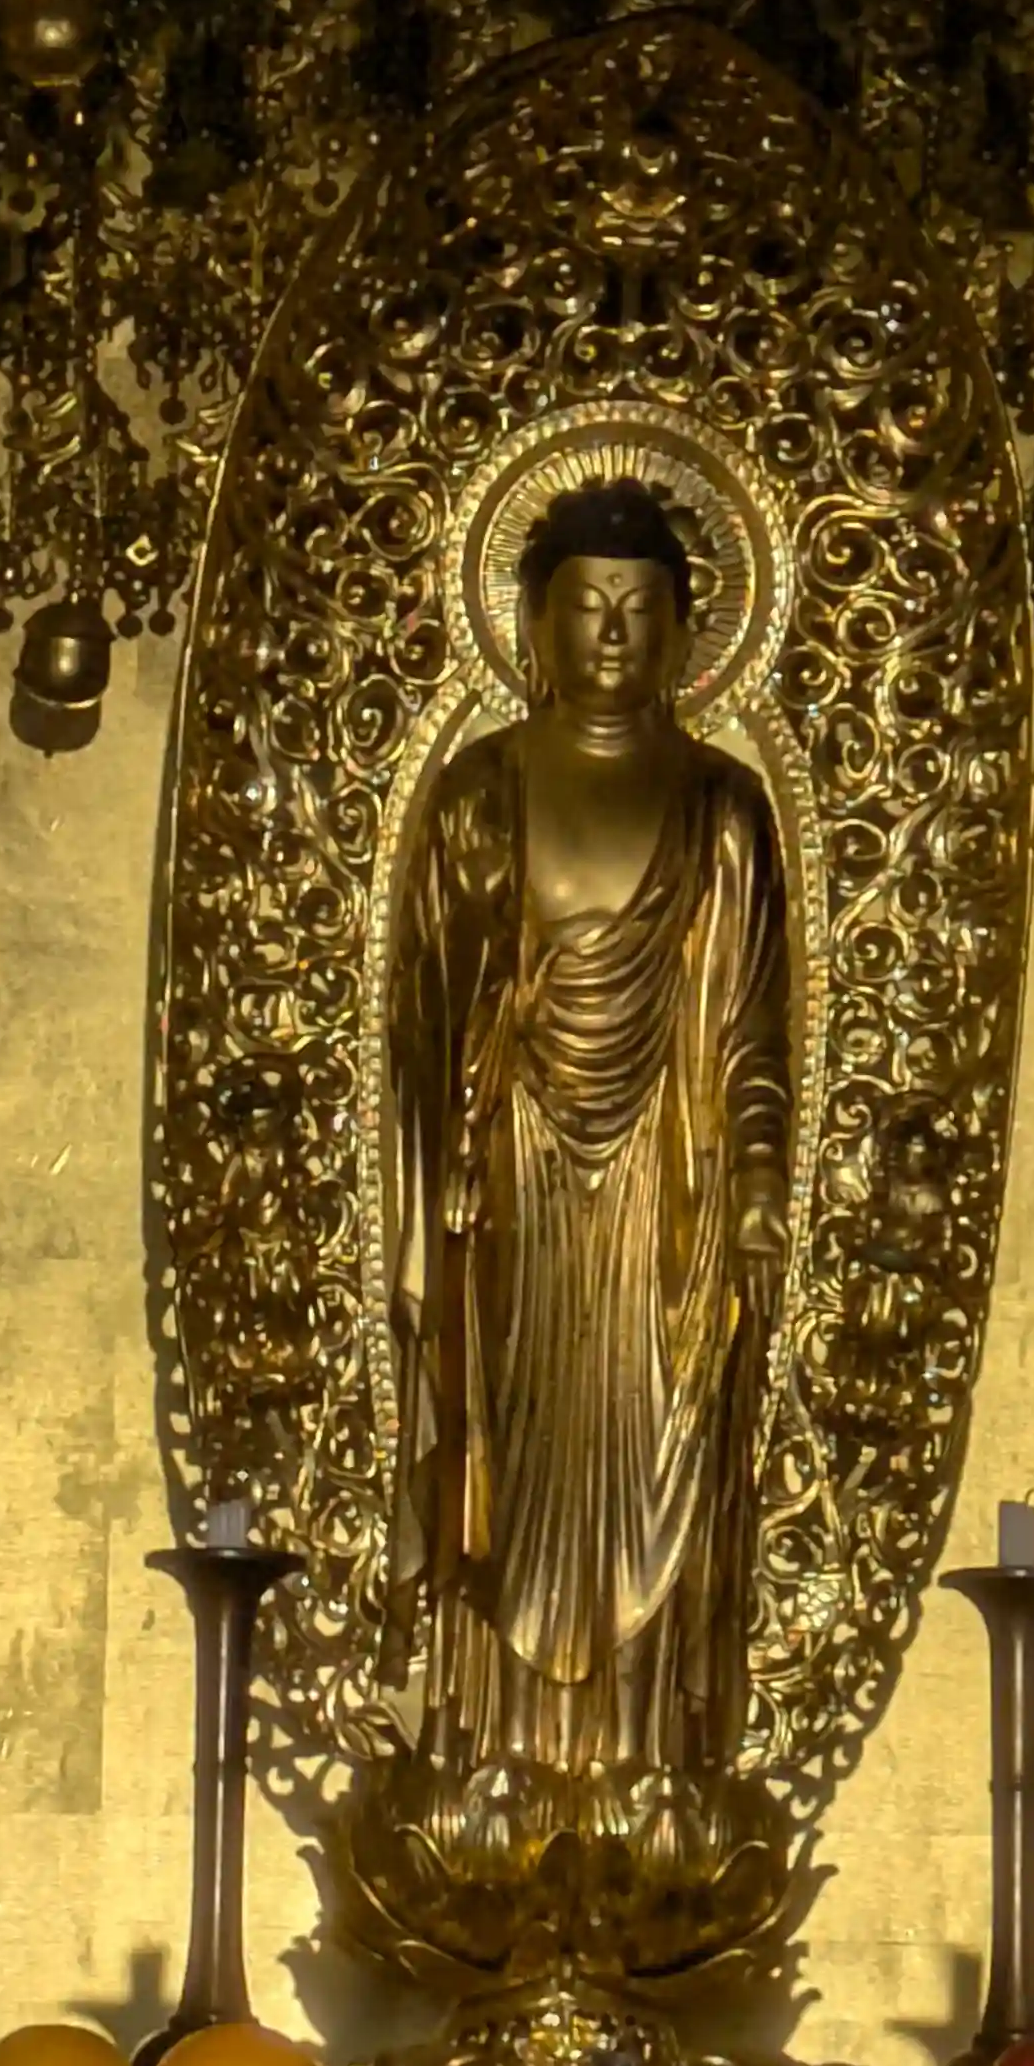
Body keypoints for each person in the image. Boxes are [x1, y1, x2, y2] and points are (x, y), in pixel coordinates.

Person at [380, 476, 793, 1780]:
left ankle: (651, 1757)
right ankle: (496, 1753)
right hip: (514, 1173)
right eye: (586, 605)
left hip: (671, 1189)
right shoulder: (479, 793)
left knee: (665, 1453)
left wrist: (757, 1175)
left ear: (684, 631)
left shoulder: (723, 808)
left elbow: (751, 1028)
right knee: (511, 1465)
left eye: (637, 607)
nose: (611, 632)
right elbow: (424, 1016)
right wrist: (455, 1135)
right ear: (533, 624)